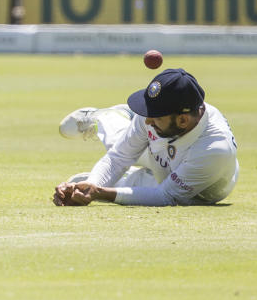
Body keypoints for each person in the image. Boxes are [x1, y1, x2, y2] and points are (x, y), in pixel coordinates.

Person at [54, 68, 239, 206]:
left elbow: (166, 196)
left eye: (156, 116)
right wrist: (92, 184)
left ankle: (109, 122)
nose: (147, 120)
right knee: (116, 141)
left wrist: (98, 192)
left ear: (183, 120)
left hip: (201, 183)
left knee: (154, 189)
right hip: (164, 157)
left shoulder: (214, 148)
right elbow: (118, 158)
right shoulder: (151, 117)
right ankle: (105, 116)